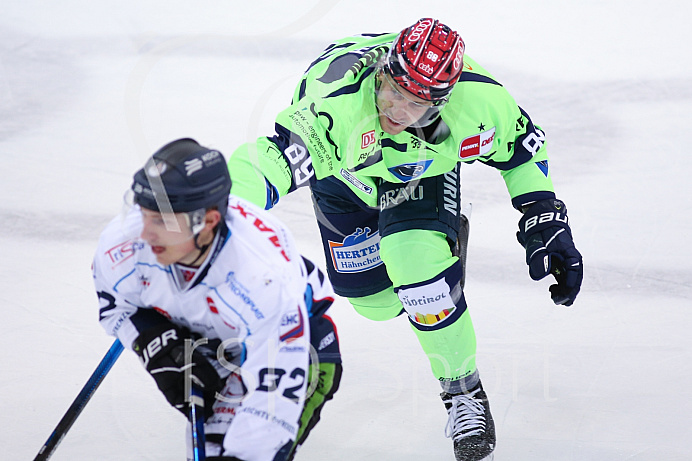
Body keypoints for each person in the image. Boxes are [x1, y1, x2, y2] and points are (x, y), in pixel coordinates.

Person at [226, 18, 583, 461]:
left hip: (419, 176)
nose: (395, 109)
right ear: (382, 71)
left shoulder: (479, 105)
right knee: (377, 305)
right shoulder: (336, 112)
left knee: (418, 274)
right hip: (345, 177)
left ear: (440, 103)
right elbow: (270, 161)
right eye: (392, 89)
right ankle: (437, 260)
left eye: (415, 104)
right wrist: (222, 210)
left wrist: (544, 217)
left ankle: (462, 390)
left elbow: (523, 153)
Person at [93, 138, 342, 461]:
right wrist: (155, 342)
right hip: (214, 334)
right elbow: (117, 308)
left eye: (162, 221)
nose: (145, 234)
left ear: (208, 222)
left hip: (300, 342)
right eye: (143, 213)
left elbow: (270, 407)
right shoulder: (122, 244)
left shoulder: (261, 276)